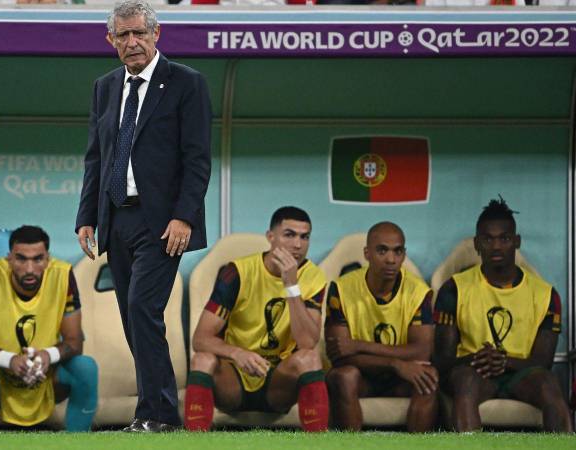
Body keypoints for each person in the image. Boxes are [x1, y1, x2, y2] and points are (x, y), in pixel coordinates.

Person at [75, 0, 211, 432]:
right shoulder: (105, 86)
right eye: (123, 35)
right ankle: (155, 412)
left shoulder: (186, 83)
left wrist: (184, 217)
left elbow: (197, 159)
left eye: (139, 33)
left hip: (164, 224)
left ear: (157, 34)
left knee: (141, 308)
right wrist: (86, 218)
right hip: (117, 220)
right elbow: (96, 158)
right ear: (110, 40)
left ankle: (157, 414)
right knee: (134, 320)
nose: (131, 42)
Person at [434, 197, 573, 432]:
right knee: (464, 381)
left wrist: (503, 360)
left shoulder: (546, 295)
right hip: (473, 371)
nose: (496, 246)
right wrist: (478, 358)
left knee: (549, 383)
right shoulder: (453, 289)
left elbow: (543, 362)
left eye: (504, 239)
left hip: (522, 373)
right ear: (477, 243)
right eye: (488, 239)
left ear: (516, 242)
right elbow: (442, 362)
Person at [184, 206, 329, 432]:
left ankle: (319, 443)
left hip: (278, 381)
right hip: (234, 378)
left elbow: (307, 343)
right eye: (289, 235)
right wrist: (237, 353)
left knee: (309, 358)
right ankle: (192, 442)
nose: (298, 245)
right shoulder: (238, 272)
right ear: (270, 237)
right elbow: (200, 339)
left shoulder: (314, 277)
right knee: (202, 359)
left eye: (305, 237)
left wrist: (291, 286)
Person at [0, 226, 97, 431]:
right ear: (9, 259)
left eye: (38, 259)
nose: (30, 269)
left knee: (85, 367)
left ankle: (79, 441)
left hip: (46, 374)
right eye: (21, 259)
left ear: (48, 259)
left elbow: (75, 342)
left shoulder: (63, 274)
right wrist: (10, 360)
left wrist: (47, 357)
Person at [325, 222, 438, 431]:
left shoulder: (419, 292)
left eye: (397, 251)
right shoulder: (341, 289)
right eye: (382, 250)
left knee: (428, 376)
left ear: (404, 255)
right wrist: (395, 362)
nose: (390, 259)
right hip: (361, 376)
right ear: (367, 254)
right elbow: (339, 354)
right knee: (343, 376)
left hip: (400, 379)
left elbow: (422, 350)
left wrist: (358, 345)